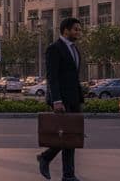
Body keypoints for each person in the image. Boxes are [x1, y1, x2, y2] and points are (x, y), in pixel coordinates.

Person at [38, 17, 85, 181]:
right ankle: (46, 158)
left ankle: (67, 174)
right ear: (66, 30)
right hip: (62, 100)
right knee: (65, 135)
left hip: (74, 98)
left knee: (72, 136)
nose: (79, 32)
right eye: (76, 29)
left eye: (79, 29)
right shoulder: (54, 48)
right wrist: (56, 100)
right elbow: (52, 77)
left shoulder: (75, 49)